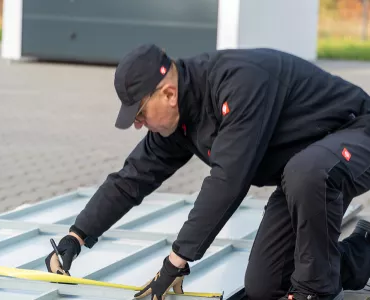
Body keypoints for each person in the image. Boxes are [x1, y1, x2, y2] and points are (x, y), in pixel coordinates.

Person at [45, 43, 370, 300]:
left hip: (356, 135)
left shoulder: (238, 82)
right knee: (264, 287)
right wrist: (78, 235)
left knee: (305, 173)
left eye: (140, 113)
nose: (138, 125)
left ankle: (314, 293)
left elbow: (228, 180)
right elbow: (132, 178)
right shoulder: (179, 121)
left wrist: (177, 260)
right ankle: (364, 252)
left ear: (168, 94)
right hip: (304, 172)